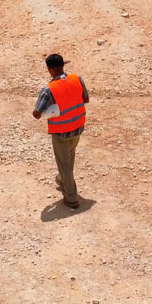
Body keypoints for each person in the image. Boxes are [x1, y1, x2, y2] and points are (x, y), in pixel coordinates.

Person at [32, 53, 88, 209]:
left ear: (50, 70)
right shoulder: (77, 79)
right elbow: (86, 99)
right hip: (78, 126)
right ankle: (63, 180)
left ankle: (71, 198)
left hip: (61, 131)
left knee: (64, 164)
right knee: (69, 158)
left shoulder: (48, 90)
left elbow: (37, 114)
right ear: (63, 65)